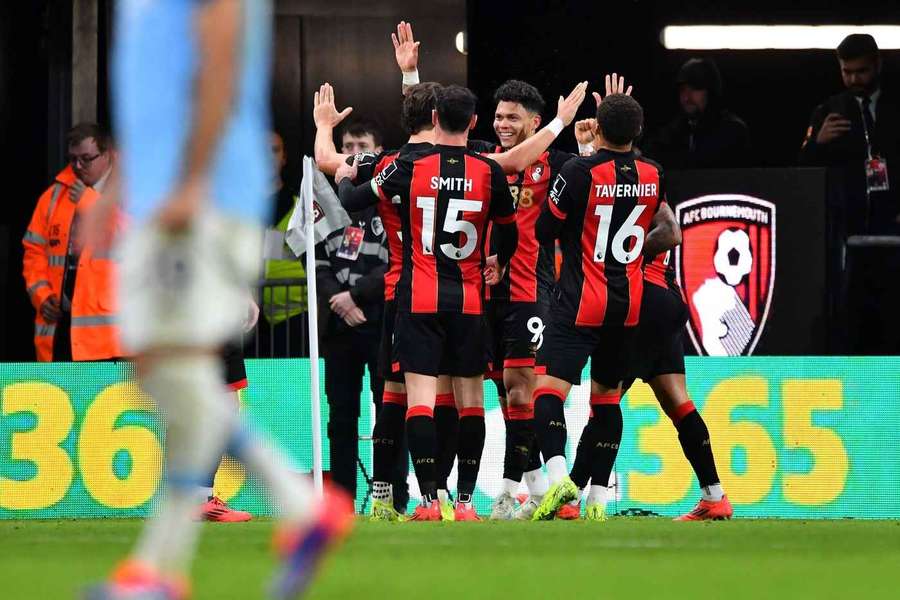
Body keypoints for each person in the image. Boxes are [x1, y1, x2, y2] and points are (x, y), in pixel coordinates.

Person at [89, 2, 353, 598]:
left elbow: (219, 66)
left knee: (174, 372)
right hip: (166, 197)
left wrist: (190, 181)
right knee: (172, 376)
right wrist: (122, 187)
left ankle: (281, 513)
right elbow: (157, 97)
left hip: (199, 201)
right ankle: (164, 567)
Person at [338, 85, 519, 521]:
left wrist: (345, 174)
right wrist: (497, 260)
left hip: (419, 298)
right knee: (470, 401)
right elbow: (509, 229)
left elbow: (351, 200)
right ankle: (465, 503)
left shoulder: (408, 165)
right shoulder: (489, 171)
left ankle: (427, 503)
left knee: (417, 400)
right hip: (471, 301)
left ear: (435, 117)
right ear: (475, 123)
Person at [530, 91, 665, 522]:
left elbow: (545, 227)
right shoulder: (655, 173)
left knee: (547, 393)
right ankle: (598, 502)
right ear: (639, 131)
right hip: (628, 304)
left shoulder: (577, 169)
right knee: (606, 400)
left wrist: (585, 154)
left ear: (598, 129)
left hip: (580, 300)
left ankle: (559, 479)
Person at [799, 34, 900, 353]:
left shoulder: (896, 106)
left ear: (878, 64)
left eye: (862, 71)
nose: (854, 79)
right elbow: (801, 169)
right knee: (851, 313)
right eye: (847, 72)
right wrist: (818, 144)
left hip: (893, 227)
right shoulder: (829, 111)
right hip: (848, 233)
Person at [315, 176, 391, 507]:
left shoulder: (391, 202)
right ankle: (341, 503)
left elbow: (395, 265)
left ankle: (393, 496)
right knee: (341, 418)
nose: (355, 154)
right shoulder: (325, 208)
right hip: (338, 328)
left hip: (380, 324)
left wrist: (356, 297)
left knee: (388, 412)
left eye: (363, 147)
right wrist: (340, 301)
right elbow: (314, 264)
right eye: (349, 148)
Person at [22, 122, 122, 362]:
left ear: (107, 153)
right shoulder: (54, 196)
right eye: (73, 159)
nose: (78, 166)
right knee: (63, 400)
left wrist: (92, 204)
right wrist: (42, 296)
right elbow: (33, 250)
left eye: (86, 159)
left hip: (112, 341)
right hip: (63, 330)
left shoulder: (131, 189)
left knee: (111, 401)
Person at [643, 57, 751, 169]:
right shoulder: (672, 131)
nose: (687, 95)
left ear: (711, 92)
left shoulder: (732, 130)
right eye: (683, 89)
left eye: (696, 88)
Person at [257, 130, 309, 358]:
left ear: (284, 157)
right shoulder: (237, 208)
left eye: (274, 150)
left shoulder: (299, 207)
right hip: (247, 321)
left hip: (293, 319)